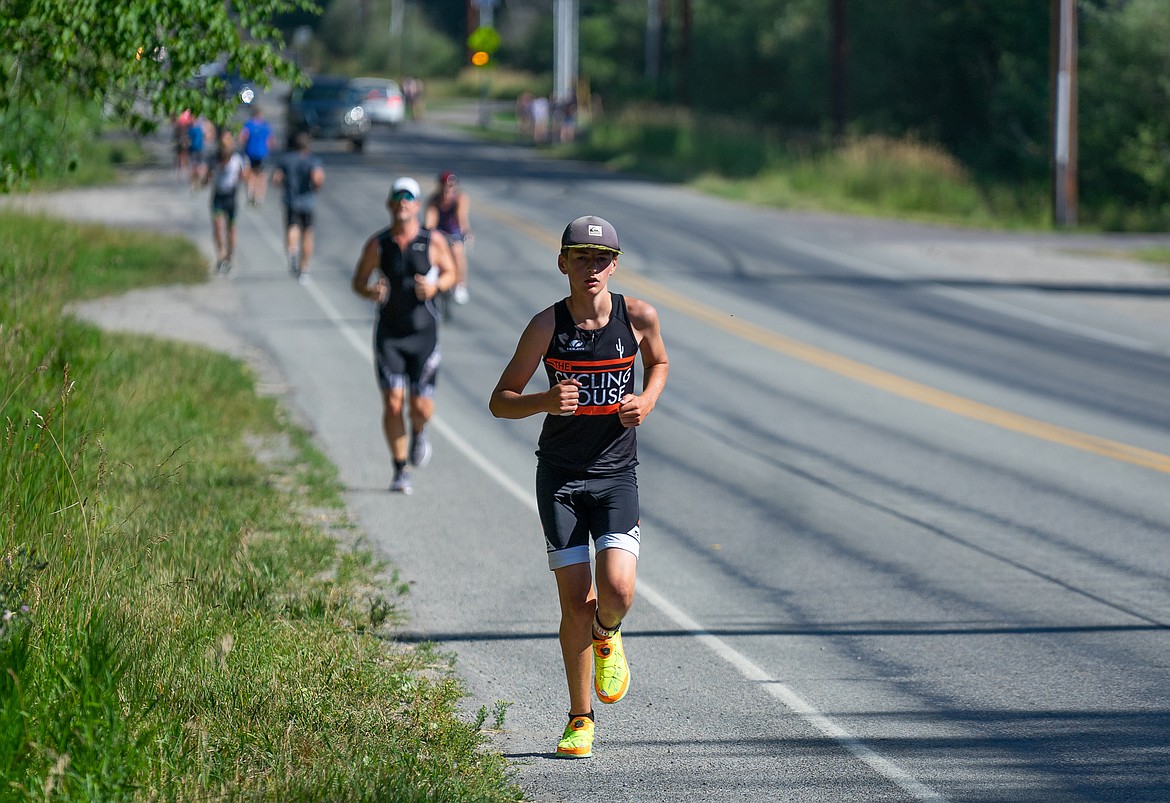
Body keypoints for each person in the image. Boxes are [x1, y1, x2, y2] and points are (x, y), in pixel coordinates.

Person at [488, 215, 669, 759]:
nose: (591, 268)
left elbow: (659, 363)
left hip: (616, 475)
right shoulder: (546, 326)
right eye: (580, 257)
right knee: (574, 600)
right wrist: (542, 401)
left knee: (616, 592)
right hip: (562, 478)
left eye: (601, 259)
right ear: (562, 262)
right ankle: (579, 718)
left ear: (614, 265)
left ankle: (607, 632)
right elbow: (501, 399)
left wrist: (648, 400)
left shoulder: (637, 317)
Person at [351, 177, 457, 495]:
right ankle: (400, 469)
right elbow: (358, 280)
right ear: (389, 204)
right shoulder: (378, 244)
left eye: (408, 197)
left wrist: (435, 286)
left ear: (418, 205)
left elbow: (451, 272)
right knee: (393, 402)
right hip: (390, 336)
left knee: (421, 407)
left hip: (424, 335)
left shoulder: (432, 241)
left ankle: (419, 433)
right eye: (397, 197)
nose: (402, 203)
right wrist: (370, 290)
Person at [271, 132, 325, 284]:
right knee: (307, 233)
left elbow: (276, 178)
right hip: (307, 202)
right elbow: (317, 177)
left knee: (292, 227)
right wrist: (316, 186)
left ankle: (292, 251)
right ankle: (304, 269)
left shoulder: (286, 159)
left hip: (291, 201)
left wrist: (283, 184)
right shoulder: (313, 160)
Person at [203, 127, 250, 274]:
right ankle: (220, 257)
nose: (226, 143)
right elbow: (206, 177)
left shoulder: (239, 157)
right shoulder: (213, 157)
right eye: (224, 140)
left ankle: (229, 257)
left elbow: (245, 176)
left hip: (231, 196)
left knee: (231, 230)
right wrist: (204, 179)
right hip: (218, 196)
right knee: (217, 228)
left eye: (229, 140)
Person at [424, 171, 473, 304]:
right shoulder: (434, 200)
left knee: (457, 251)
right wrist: (429, 233)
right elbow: (430, 222)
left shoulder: (459, 198)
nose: (447, 189)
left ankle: (460, 285)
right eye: (444, 186)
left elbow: (461, 218)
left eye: (451, 186)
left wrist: (466, 234)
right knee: (431, 252)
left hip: (454, 232)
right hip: (439, 232)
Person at [239, 105, 274, 206]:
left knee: (251, 174)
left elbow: (243, 137)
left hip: (250, 152)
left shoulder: (249, 125)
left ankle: (251, 193)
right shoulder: (265, 126)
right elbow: (270, 141)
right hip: (262, 153)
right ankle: (259, 196)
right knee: (262, 175)